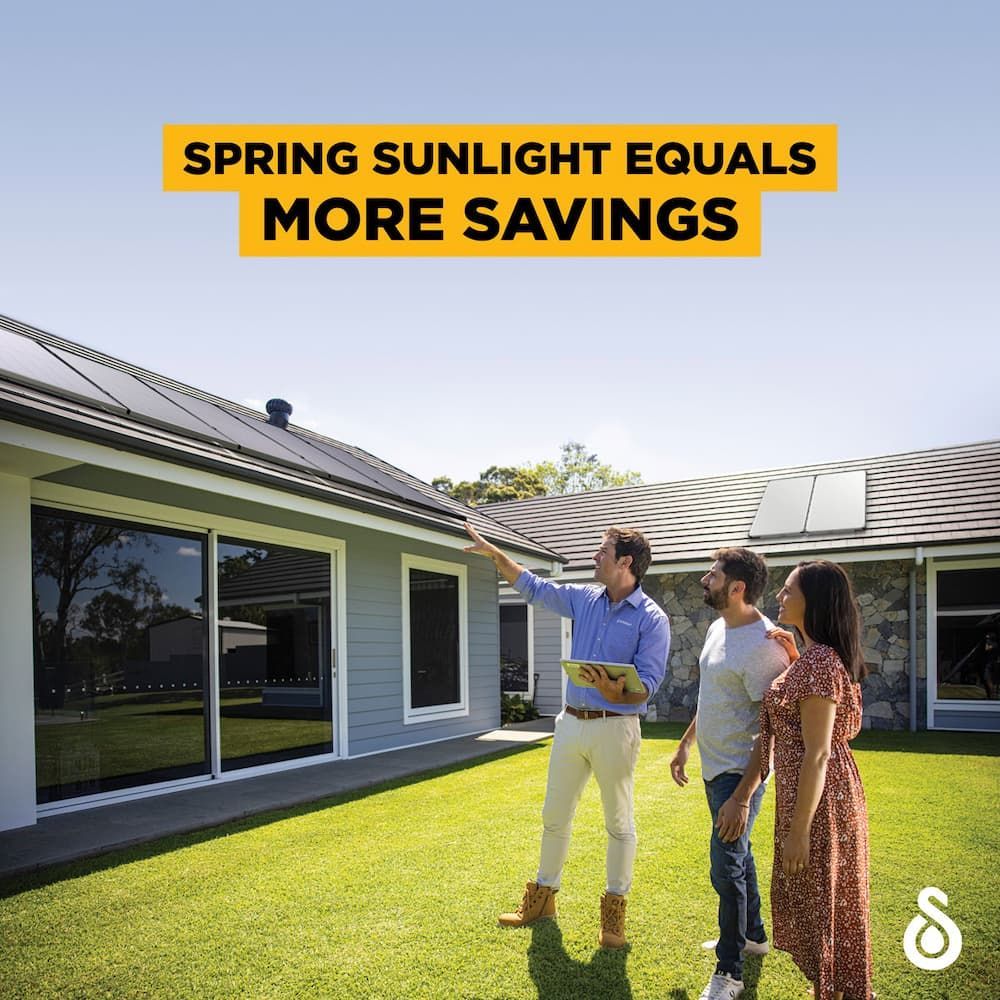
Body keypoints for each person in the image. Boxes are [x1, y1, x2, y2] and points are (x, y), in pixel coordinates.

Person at [464, 521, 670, 949]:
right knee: (554, 815)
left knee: (618, 822)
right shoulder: (584, 598)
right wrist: (497, 555)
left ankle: (614, 915)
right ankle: (542, 899)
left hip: (616, 728)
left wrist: (616, 690)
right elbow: (535, 587)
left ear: (625, 562)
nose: (595, 556)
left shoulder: (653, 619)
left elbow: (647, 684)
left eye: (602, 551)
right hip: (571, 724)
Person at [669, 549, 789, 1000]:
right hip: (712, 765)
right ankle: (754, 935)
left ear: (736, 588)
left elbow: (772, 728)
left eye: (713, 575)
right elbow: (711, 696)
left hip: (740, 774)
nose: (705, 579)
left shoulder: (765, 646)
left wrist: (742, 795)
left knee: (725, 867)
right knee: (739, 857)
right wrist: (685, 744)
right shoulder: (718, 627)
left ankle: (730, 972)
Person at [760, 561, 874, 1000]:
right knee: (825, 899)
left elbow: (818, 751)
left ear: (814, 601)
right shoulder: (815, 659)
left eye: (788, 591)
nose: (780, 597)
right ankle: (832, 989)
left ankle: (841, 991)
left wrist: (799, 830)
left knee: (829, 900)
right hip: (817, 795)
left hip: (822, 804)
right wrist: (795, 659)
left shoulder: (822, 662)